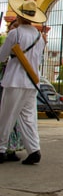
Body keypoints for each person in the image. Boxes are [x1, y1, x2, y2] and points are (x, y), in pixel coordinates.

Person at [0, 0, 47, 164]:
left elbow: (2, 56)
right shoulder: (39, 37)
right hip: (32, 81)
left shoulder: (15, 33)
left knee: (6, 115)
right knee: (28, 117)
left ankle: (1, 149)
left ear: (20, 16)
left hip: (15, 81)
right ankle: (34, 150)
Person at [0, 19, 24, 162]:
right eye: (12, 26)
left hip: (11, 82)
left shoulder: (22, 42)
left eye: (17, 26)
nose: (14, 29)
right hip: (4, 81)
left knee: (12, 117)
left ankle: (10, 148)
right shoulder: (5, 41)